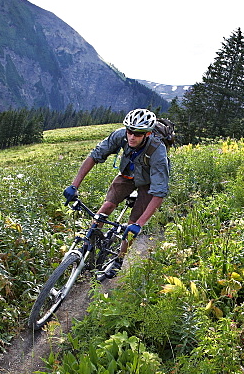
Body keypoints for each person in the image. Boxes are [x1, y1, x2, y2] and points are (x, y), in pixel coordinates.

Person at [63, 108, 170, 277]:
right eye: (129, 131)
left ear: (147, 134)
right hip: (127, 175)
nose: (132, 136)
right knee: (107, 206)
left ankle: (119, 260)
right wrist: (74, 186)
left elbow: (159, 193)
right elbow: (94, 156)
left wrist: (139, 224)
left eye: (138, 133)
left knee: (130, 225)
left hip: (148, 183)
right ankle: (88, 244)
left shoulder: (158, 151)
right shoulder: (120, 136)